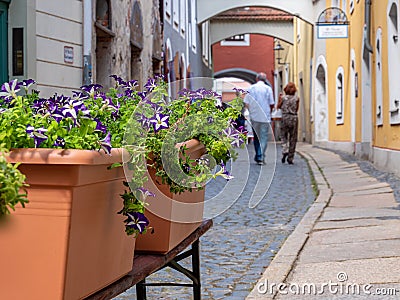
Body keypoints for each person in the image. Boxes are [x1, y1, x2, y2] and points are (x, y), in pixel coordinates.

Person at [244, 72, 275, 165]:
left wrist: (251, 111)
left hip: (254, 116)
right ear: (264, 80)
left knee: (256, 137)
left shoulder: (251, 88)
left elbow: (246, 102)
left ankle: (258, 155)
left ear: (257, 79)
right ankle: (261, 156)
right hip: (265, 116)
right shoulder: (268, 89)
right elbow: (272, 103)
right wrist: (269, 111)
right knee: (263, 137)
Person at [277, 82, 299, 165]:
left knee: (283, 135)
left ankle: (285, 149)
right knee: (293, 138)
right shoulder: (297, 98)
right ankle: (290, 157)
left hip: (284, 117)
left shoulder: (283, 98)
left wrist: (280, 99)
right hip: (293, 118)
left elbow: (278, 107)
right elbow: (297, 109)